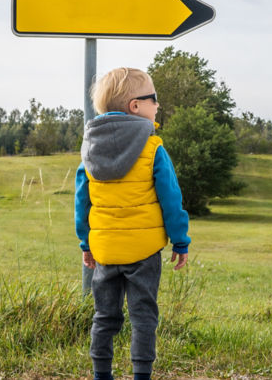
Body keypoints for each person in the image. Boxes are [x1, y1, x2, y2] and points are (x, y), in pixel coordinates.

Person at [75, 67, 191, 380]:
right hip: (143, 252)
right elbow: (171, 198)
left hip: (106, 252)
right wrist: (180, 240)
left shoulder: (90, 151)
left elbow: (82, 203)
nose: (158, 105)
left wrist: (86, 243)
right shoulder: (153, 148)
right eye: (154, 99)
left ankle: (102, 375)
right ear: (135, 106)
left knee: (104, 316)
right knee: (143, 317)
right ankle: (141, 376)